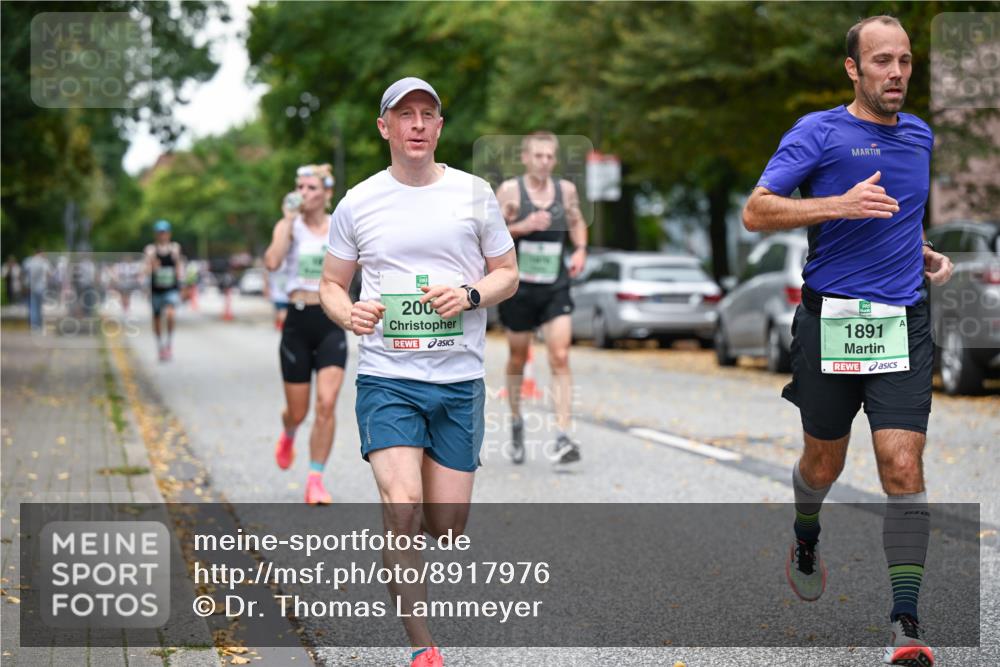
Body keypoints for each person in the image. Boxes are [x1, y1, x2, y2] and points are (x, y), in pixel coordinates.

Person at [742, 16, 954, 666]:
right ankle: (806, 531)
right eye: (882, 61)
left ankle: (906, 623)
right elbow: (756, 210)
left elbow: (892, 219)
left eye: (905, 61)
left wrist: (918, 252)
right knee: (822, 465)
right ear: (853, 70)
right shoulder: (819, 133)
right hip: (830, 321)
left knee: (902, 465)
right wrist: (836, 203)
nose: (896, 73)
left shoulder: (920, 135)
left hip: (902, 323)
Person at [319, 77, 518, 667]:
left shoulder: (474, 194)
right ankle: (422, 645)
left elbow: (507, 271)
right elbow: (330, 283)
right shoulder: (358, 201)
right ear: (385, 128)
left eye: (427, 114)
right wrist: (348, 310)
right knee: (401, 503)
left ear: (438, 128)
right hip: (387, 376)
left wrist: (472, 294)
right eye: (404, 115)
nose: (416, 124)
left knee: (447, 526)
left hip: (458, 381)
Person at [495, 132, 588, 465]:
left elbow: (576, 220)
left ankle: (563, 435)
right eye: (538, 156)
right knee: (518, 357)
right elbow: (489, 234)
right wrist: (523, 226)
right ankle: (517, 419)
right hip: (518, 287)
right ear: (525, 157)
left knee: (560, 356)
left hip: (554, 285)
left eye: (550, 156)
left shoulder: (566, 191)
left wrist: (579, 249)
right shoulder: (509, 190)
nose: (544, 162)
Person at [264, 164, 347, 505]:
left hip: (330, 321)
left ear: (327, 194)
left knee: (326, 404)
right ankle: (289, 431)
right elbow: (271, 262)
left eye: (311, 187)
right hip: (297, 323)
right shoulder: (291, 227)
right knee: (298, 411)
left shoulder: (339, 228)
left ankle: (315, 478)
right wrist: (286, 219)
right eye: (299, 186)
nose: (303, 192)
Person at [144, 220, 184, 361]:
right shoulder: (150, 250)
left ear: (169, 234)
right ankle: (160, 345)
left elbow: (179, 267)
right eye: (160, 233)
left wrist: (181, 282)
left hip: (171, 289)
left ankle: (169, 344)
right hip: (156, 290)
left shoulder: (175, 248)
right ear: (156, 234)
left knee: (170, 314)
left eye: (165, 233)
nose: (162, 235)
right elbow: (146, 270)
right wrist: (152, 267)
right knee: (156, 319)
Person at [22, 249, 52, 331]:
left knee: (32, 306)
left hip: (30, 287)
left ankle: (33, 325)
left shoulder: (29, 261)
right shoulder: (44, 262)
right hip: (41, 287)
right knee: (39, 307)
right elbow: (49, 274)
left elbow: (24, 273)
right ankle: (38, 324)